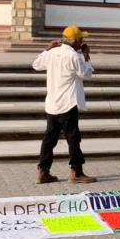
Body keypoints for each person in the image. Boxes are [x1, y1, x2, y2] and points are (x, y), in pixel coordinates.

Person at [32, 26, 97, 184]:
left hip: (52, 103)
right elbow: (86, 74)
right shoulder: (73, 55)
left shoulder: (52, 52)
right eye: (81, 39)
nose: (83, 41)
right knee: (73, 138)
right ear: (76, 41)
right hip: (68, 103)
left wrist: (47, 49)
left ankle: (43, 170)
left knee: (49, 138)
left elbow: (36, 65)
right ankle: (76, 172)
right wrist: (86, 56)